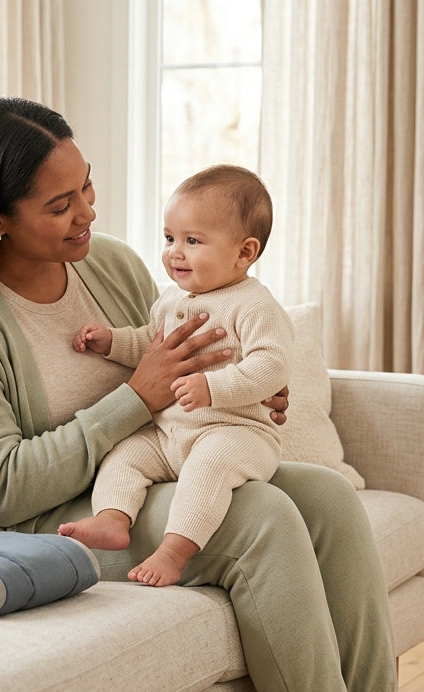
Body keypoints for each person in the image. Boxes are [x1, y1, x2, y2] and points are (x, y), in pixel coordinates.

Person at [0, 97, 405, 692]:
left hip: (145, 468)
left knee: (327, 498)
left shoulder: (111, 264)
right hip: (17, 524)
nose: (89, 212)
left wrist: (244, 388)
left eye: (87, 186)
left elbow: (186, 353)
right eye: (60, 204)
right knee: (259, 518)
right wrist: (137, 397)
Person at [59, 164, 293, 587]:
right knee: (125, 454)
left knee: (210, 468)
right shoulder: (171, 299)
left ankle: (174, 552)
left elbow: (271, 366)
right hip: (170, 435)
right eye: (169, 239)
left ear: (245, 252)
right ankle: (113, 517)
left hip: (236, 433)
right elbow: (153, 344)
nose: (174, 252)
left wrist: (214, 386)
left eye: (192, 241)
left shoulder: (254, 306)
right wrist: (111, 341)